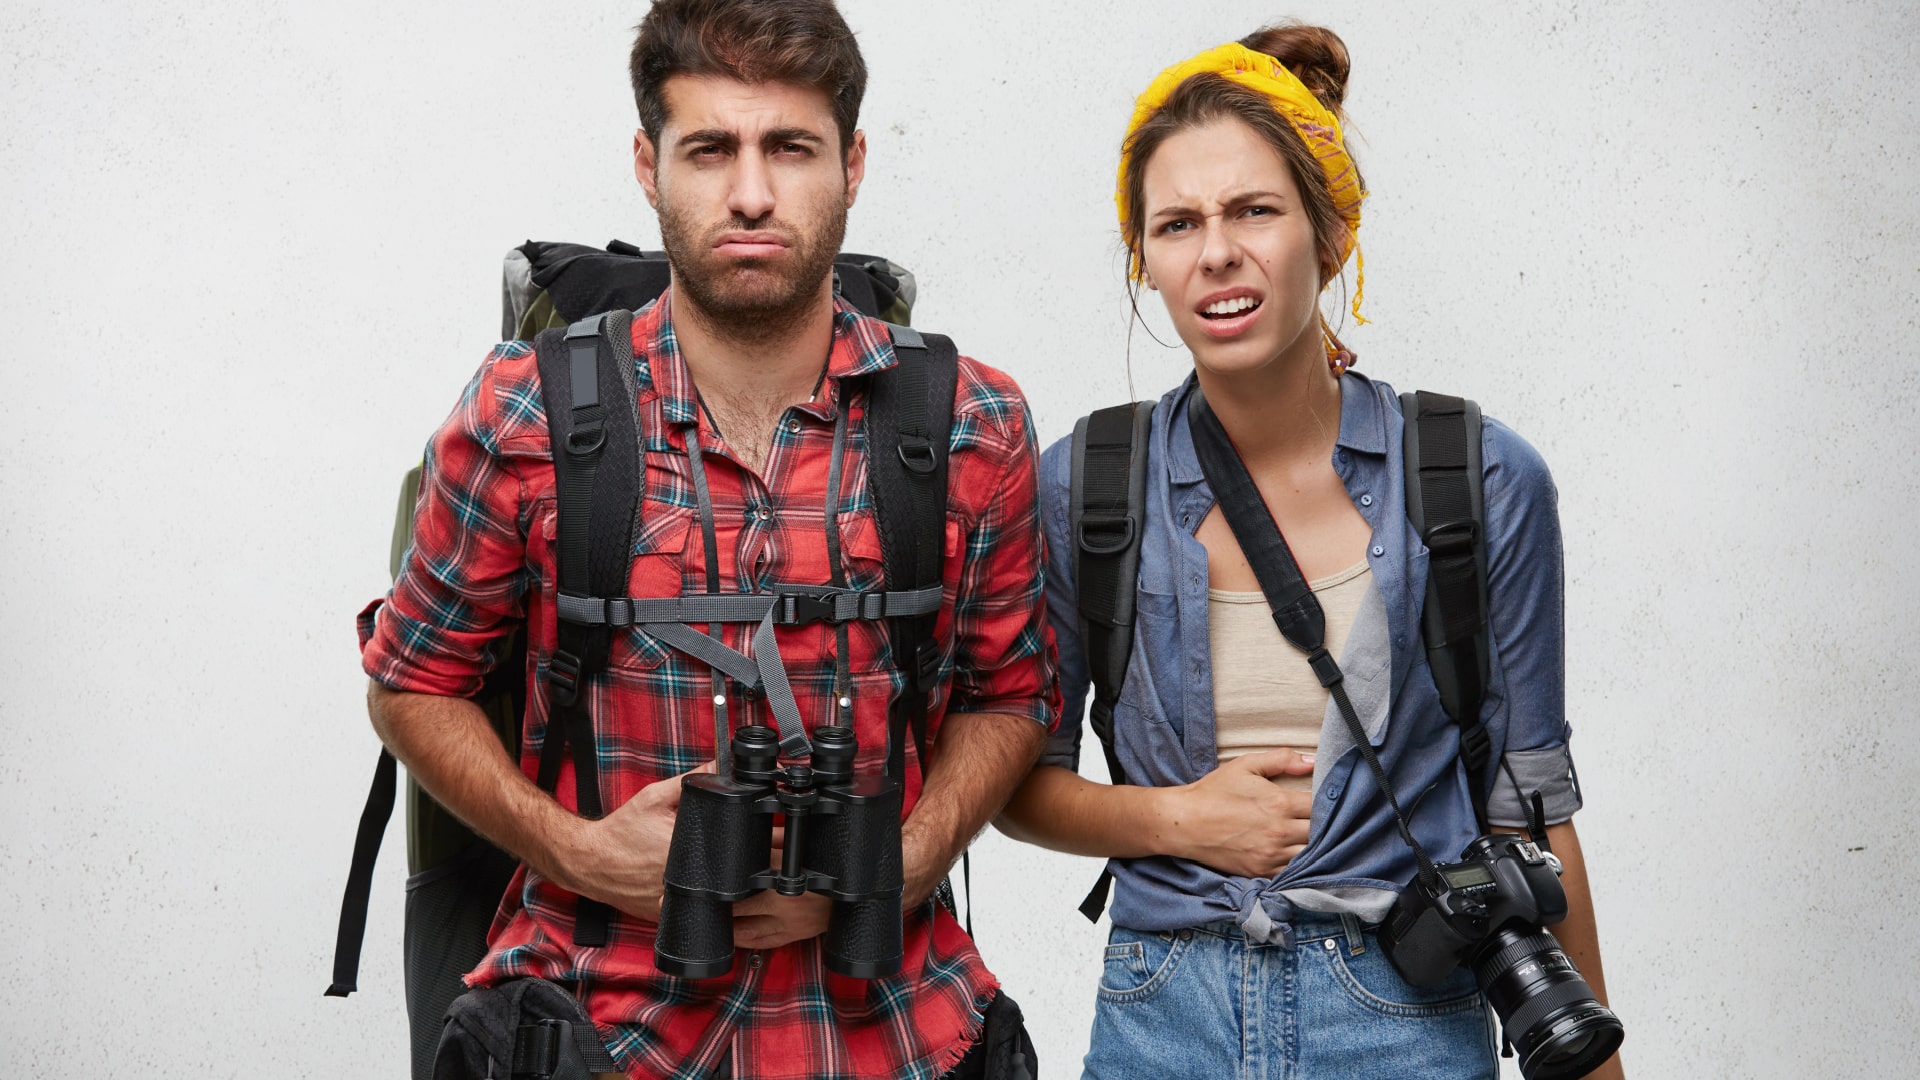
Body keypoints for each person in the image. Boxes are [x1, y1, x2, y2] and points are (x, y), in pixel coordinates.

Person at [358, 2, 1056, 1076]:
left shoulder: (972, 423)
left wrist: (910, 859)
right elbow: (411, 682)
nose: (751, 194)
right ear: (649, 164)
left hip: (901, 1025)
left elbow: (1010, 695)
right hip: (600, 1023)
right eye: (709, 148)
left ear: (853, 162)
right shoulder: (525, 416)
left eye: (790, 147)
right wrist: (581, 852)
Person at [997, 23, 1625, 1080]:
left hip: (1405, 1011)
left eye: (1255, 211)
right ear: (1145, 260)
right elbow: (1019, 786)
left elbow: (1535, 814)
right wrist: (1179, 817)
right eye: (1179, 223)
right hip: (1162, 1013)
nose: (1218, 252)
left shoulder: (1477, 479)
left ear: (1329, 234)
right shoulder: (1084, 482)